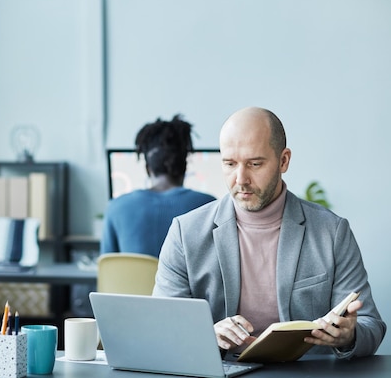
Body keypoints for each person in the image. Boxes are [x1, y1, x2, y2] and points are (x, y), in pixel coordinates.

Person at [153, 107, 386, 358]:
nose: (240, 179)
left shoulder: (332, 232)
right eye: (230, 164)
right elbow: (161, 329)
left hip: (305, 375)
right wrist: (206, 335)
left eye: (254, 164)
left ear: (283, 160)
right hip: (220, 371)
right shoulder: (185, 233)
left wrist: (349, 336)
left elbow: (370, 325)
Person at [100, 114, 216, 258]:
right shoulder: (209, 206)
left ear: (148, 168)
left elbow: (107, 266)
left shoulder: (116, 207)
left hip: (135, 281)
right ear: (185, 166)